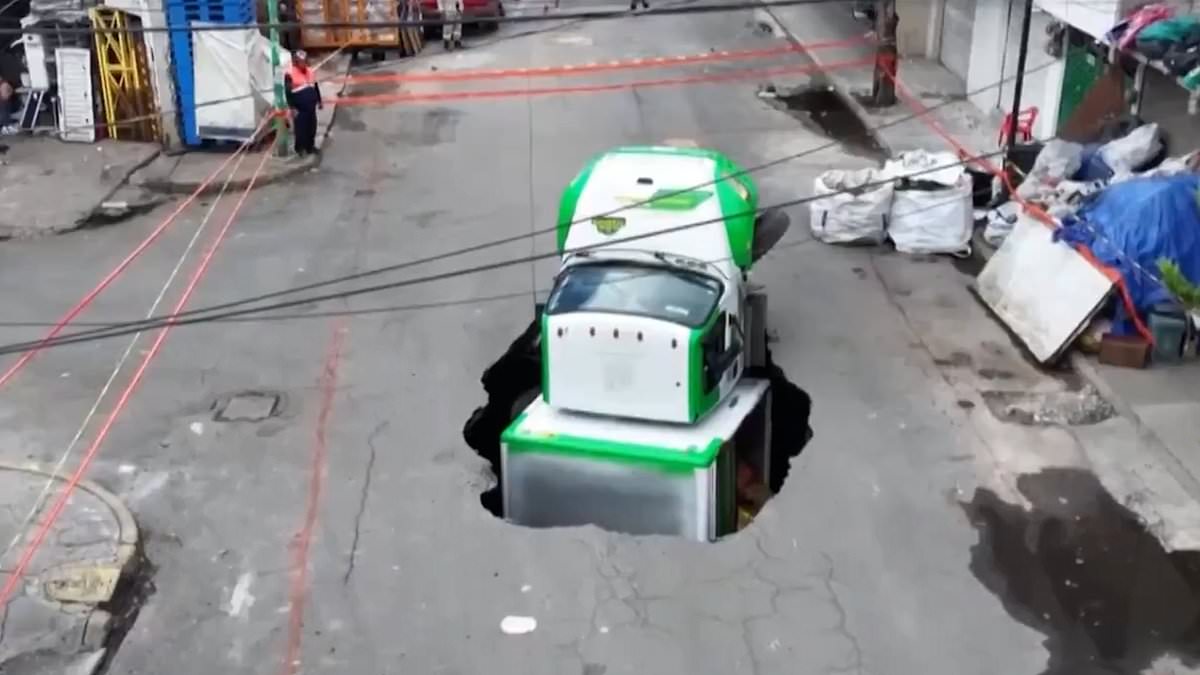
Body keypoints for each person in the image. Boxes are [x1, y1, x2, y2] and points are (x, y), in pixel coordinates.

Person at [284, 50, 322, 157]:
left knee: (312, 127)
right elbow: (287, 92)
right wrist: (292, 107)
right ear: (296, 62)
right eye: (301, 62)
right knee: (301, 129)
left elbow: (315, 86)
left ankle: (310, 146)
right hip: (299, 107)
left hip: (311, 106)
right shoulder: (290, 74)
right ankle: (300, 148)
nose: (303, 63)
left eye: (304, 61)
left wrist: (319, 101)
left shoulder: (310, 71)